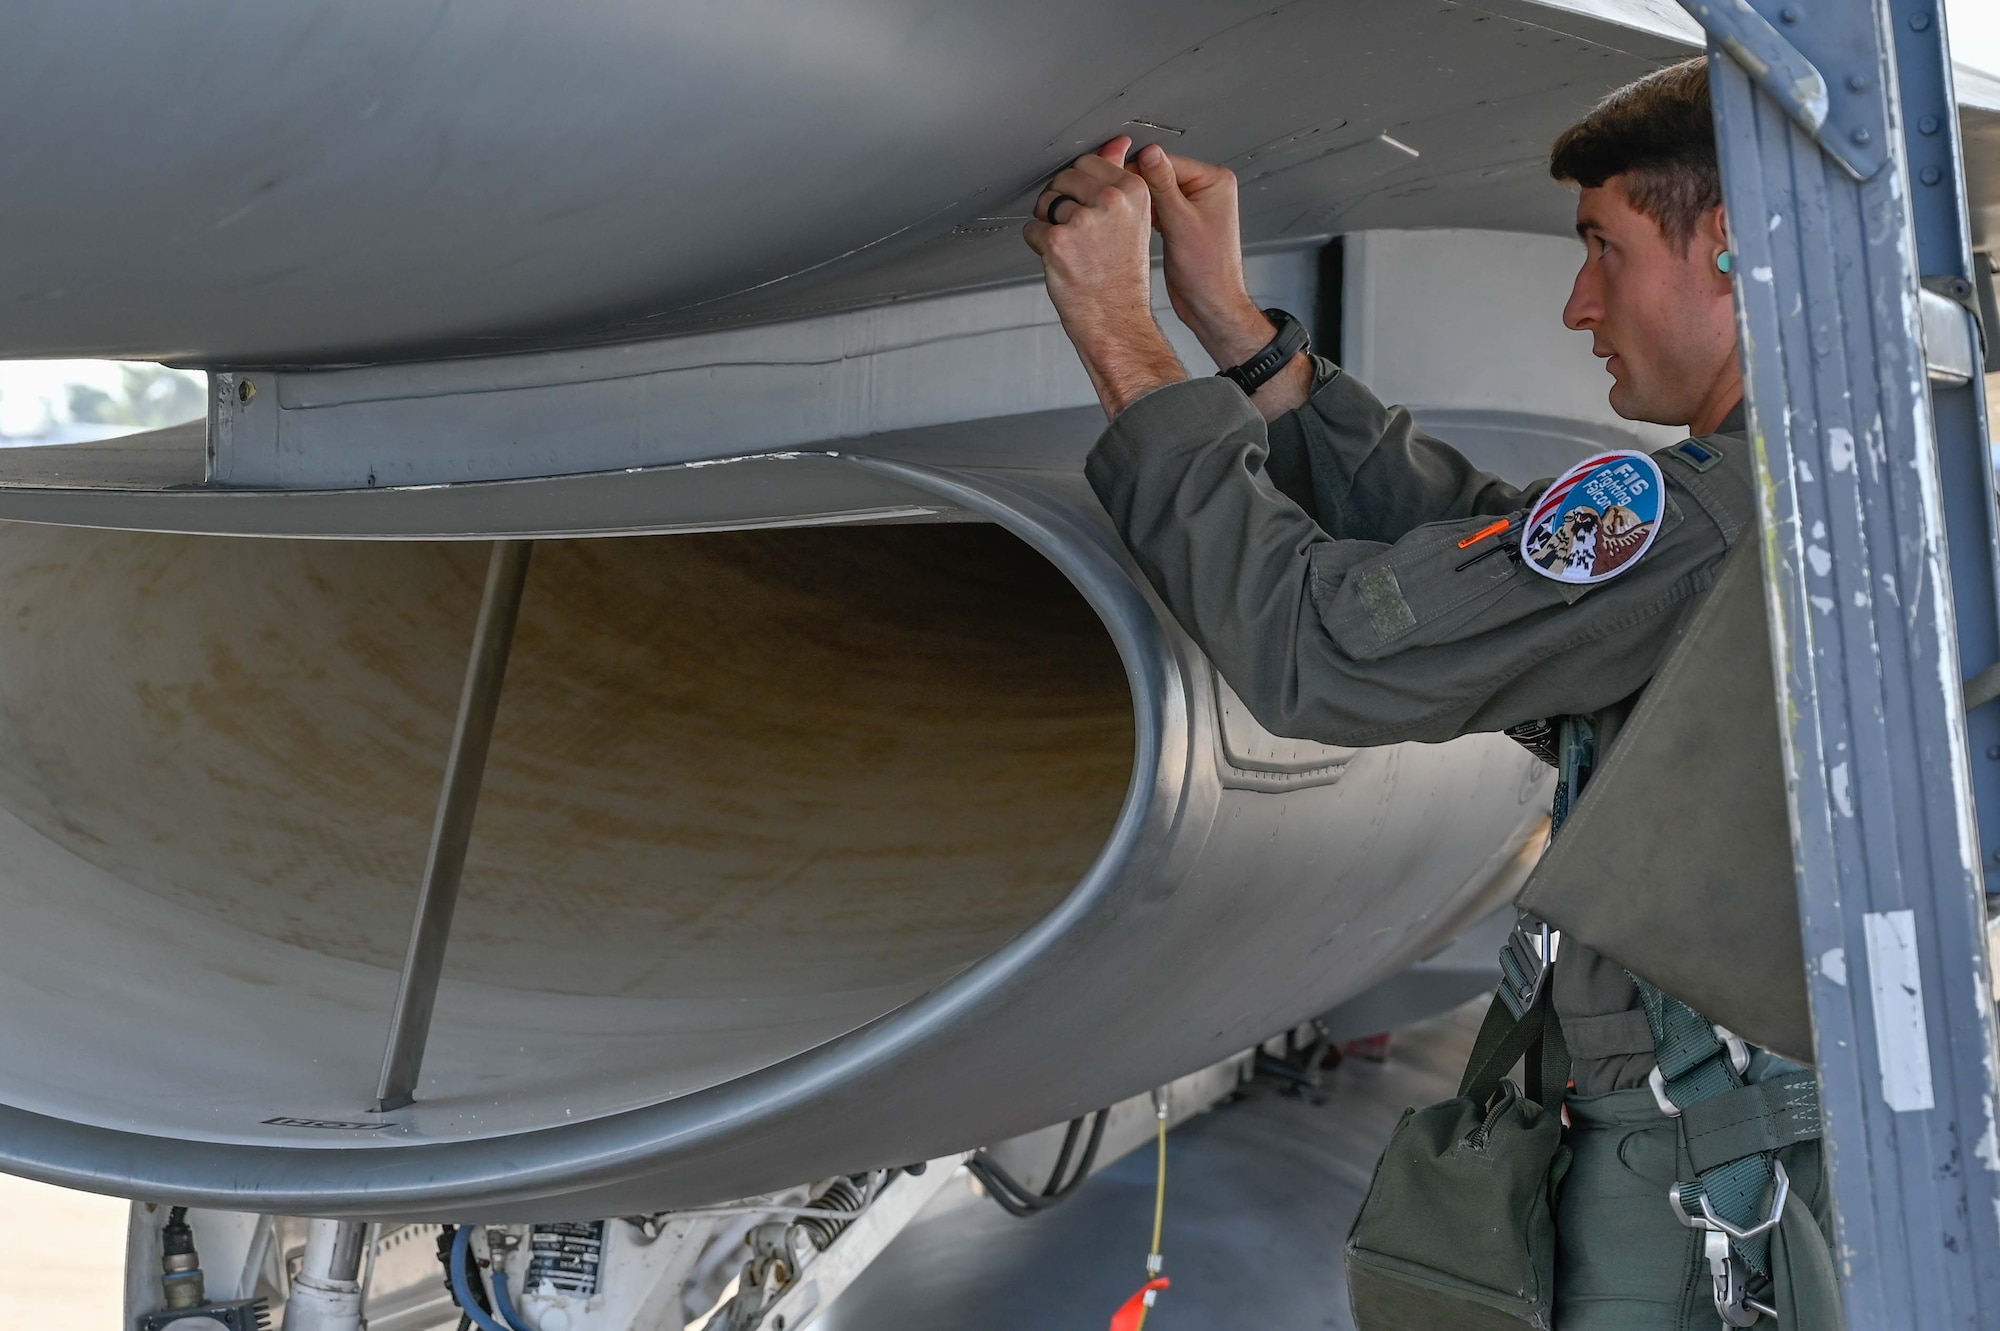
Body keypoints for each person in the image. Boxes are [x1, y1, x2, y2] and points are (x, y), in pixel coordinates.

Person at [1026, 58, 1835, 1329]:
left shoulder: (1709, 516)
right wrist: (1236, 328)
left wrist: (1119, 337)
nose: (1578, 304)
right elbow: (1502, 564)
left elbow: (1327, 649)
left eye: (1602, 250)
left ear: (1728, 246)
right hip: (1751, 1159)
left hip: (1697, 1205)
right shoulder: (1819, 486)